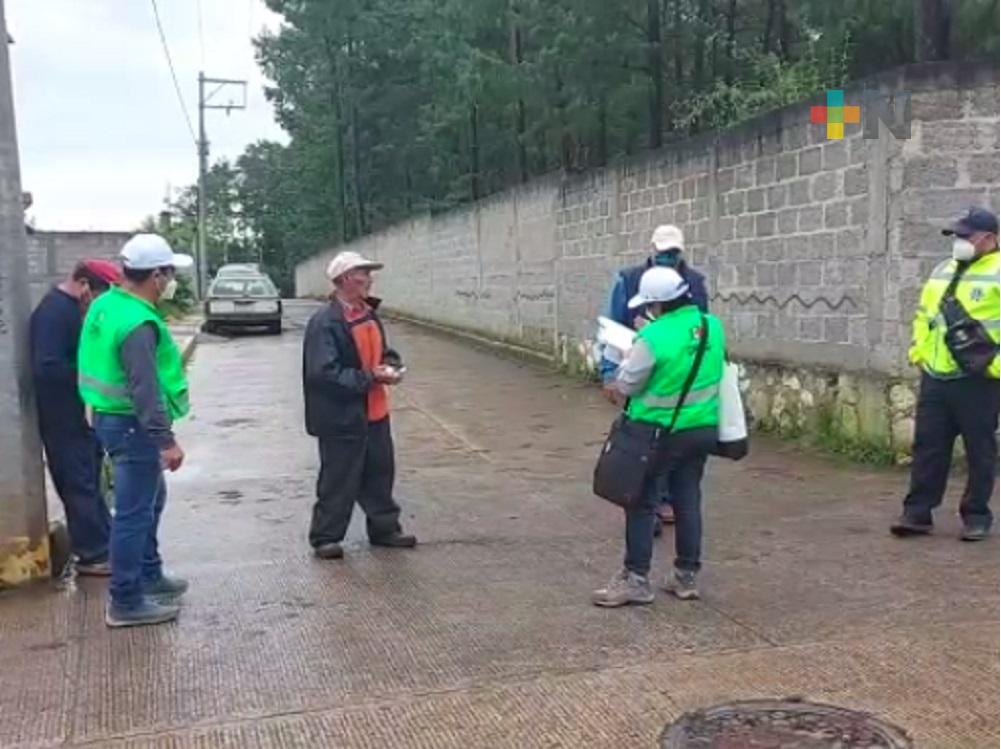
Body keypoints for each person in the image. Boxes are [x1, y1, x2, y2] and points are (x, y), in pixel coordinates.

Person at [78, 234, 193, 628]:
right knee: (133, 514)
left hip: (111, 419)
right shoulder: (137, 323)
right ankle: (126, 600)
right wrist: (166, 440)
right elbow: (144, 389)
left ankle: (149, 574)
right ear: (157, 276)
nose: (171, 281)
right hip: (132, 426)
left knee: (150, 501)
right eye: (170, 273)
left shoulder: (107, 304)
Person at [592, 266, 725, 607]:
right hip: (702, 429)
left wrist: (632, 349)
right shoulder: (713, 326)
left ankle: (636, 579)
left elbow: (628, 385)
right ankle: (686, 576)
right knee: (688, 499)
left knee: (641, 502)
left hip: (657, 432)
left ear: (658, 304)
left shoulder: (653, 338)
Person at [891, 206, 1000, 542]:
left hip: (979, 379)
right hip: (937, 376)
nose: (959, 241)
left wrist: (993, 367)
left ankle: (976, 515)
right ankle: (917, 513)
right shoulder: (943, 270)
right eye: (956, 235)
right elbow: (925, 316)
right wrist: (919, 352)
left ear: (990, 239)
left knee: (979, 450)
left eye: (966, 236)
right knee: (928, 447)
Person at [302, 250, 417, 560]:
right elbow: (324, 373)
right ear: (343, 280)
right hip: (341, 419)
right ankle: (325, 537)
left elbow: (383, 352)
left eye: (368, 273)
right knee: (339, 477)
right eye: (362, 273)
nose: (369, 278)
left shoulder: (368, 314)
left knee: (380, 472)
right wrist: (370, 377)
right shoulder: (324, 323)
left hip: (375, 413)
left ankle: (385, 530)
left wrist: (390, 366)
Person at [599, 224, 709, 531]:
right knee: (643, 446)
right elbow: (612, 326)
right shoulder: (628, 279)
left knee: (677, 443)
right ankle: (652, 502)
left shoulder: (695, 283)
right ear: (652, 249)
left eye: (673, 253)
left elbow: (703, 329)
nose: (667, 257)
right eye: (663, 252)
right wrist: (609, 373)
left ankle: (664, 502)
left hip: (680, 376)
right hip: (639, 369)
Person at [30, 259, 121, 576]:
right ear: (83, 285)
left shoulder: (70, 310)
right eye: (97, 295)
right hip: (59, 416)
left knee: (90, 478)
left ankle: (104, 545)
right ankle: (93, 553)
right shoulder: (56, 312)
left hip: (73, 413)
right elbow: (48, 367)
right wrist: (86, 376)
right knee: (78, 482)